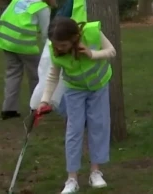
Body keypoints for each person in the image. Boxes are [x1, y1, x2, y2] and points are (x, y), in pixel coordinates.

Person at [40, 17, 116, 193]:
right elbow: (53, 76)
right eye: (56, 44)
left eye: (63, 45)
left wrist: (91, 54)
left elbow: (111, 51)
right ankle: (71, 179)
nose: (59, 48)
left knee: (99, 125)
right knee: (74, 130)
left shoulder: (92, 33)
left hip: (98, 86)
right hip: (75, 89)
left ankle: (95, 172)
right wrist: (45, 100)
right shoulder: (55, 49)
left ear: (75, 38)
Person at [0, 0, 57, 120]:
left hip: (7, 42)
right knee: (36, 76)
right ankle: (36, 106)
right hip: (26, 46)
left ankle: (8, 109)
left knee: (12, 75)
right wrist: (49, 48)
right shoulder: (42, 7)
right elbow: (46, 32)